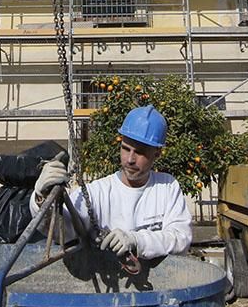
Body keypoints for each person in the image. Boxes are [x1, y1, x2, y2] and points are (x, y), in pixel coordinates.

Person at [30, 105, 192, 260]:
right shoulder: (96, 192)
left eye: (140, 153)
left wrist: (137, 240)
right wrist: (41, 197)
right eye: (126, 149)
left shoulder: (167, 187)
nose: (130, 160)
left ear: (157, 154)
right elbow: (64, 231)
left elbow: (181, 238)